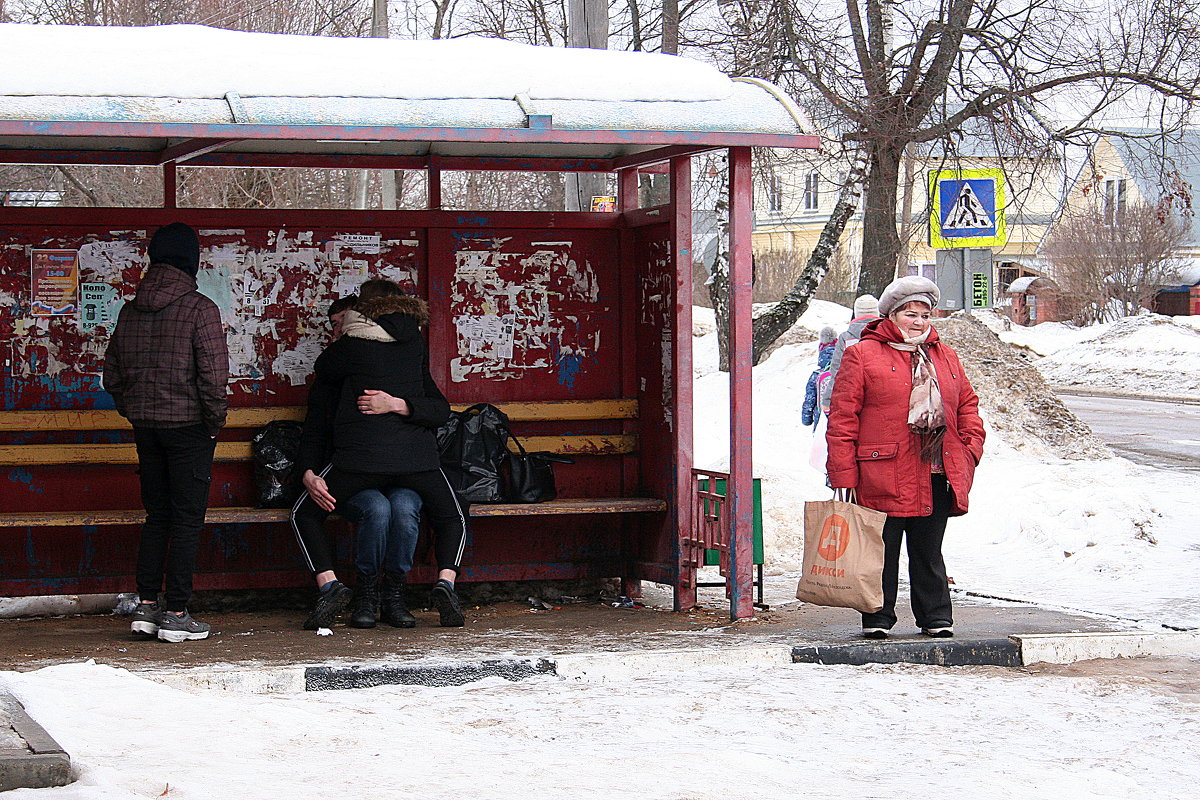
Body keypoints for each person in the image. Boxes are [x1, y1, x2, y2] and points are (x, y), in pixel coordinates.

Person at [292, 279, 468, 630]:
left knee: (303, 514)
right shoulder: (414, 343)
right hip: (415, 463)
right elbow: (440, 410)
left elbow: (323, 374)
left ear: (361, 311)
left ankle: (330, 586)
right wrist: (402, 404)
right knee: (454, 515)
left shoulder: (348, 348)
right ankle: (445, 583)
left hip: (361, 462)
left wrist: (308, 471)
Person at [825, 276, 985, 640]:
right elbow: (843, 417)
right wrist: (843, 474)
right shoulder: (862, 354)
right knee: (882, 551)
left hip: (935, 470)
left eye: (924, 314)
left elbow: (966, 405)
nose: (917, 321)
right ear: (891, 315)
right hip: (882, 471)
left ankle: (935, 616)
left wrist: (970, 447)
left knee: (929, 552)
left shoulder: (945, 355)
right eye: (909, 313)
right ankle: (878, 618)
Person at [102, 222, 229, 643]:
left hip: (147, 428)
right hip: (190, 429)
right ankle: (177, 611)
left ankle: (147, 605)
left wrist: (134, 410)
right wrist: (212, 424)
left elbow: (112, 375)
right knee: (188, 519)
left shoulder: (129, 310)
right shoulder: (200, 308)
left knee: (157, 516)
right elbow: (213, 378)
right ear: (191, 262)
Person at [307, 294, 424, 630]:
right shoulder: (333, 370)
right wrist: (309, 470)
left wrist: (399, 405)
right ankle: (366, 594)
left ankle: (394, 596)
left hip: (402, 474)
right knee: (377, 508)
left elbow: (437, 409)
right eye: (336, 325)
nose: (342, 330)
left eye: (347, 321)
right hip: (355, 475)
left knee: (403, 505)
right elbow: (315, 427)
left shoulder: (403, 366)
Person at [820, 294, 880, 414]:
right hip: (880, 394)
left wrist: (827, 399)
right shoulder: (886, 335)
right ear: (877, 313)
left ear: (857, 313)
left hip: (852, 394)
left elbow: (837, 371)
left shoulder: (845, 338)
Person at [801, 326, 837, 427]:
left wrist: (806, 419)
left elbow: (810, 398)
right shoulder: (845, 372)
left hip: (821, 420)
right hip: (841, 419)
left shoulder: (816, 375)